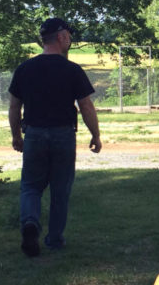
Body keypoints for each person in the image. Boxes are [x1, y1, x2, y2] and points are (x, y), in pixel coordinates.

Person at [8, 17, 102, 257]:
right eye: (68, 36)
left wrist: (16, 135)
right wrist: (95, 135)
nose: (70, 40)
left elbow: (14, 106)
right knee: (61, 189)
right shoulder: (71, 70)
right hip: (63, 134)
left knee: (30, 186)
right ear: (60, 37)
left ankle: (30, 222)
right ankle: (55, 239)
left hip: (34, 134)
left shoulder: (25, 69)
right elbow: (86, 106)